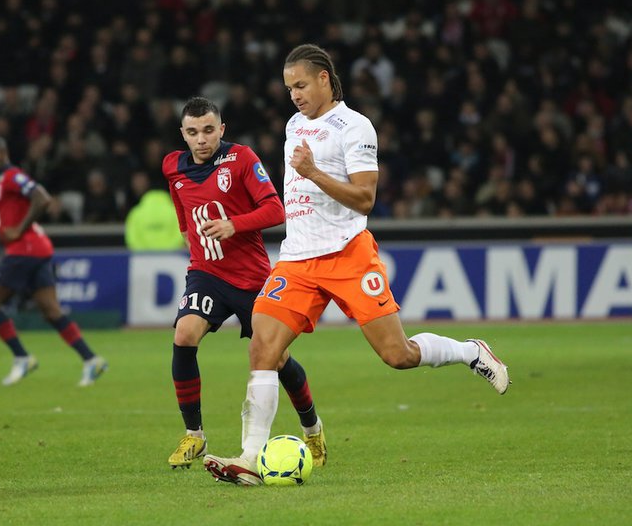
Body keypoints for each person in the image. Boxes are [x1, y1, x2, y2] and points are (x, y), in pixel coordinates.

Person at [203, 44, 510, 486]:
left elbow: (365, 198)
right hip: (297, 259)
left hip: (348, 254)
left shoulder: (356, 127)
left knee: (397, 356)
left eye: (302, 85)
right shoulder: (294, 124)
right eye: (289, 88)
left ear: (325, 78)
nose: (294, 95)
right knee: (262, 349)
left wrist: (313, 173)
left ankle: (469, 351)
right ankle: (250, 458)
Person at [162, 97, 326, 469]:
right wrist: (192, 240)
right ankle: (195, 436)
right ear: (183, 134)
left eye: (208, 130)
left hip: (252, 280)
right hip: (206, 274)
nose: (201, 139)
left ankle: (312, 428)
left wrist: (233, 224)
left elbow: (275, 209)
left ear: (222, 129)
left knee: (278, 358)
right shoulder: (172, 166)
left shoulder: (241, 159)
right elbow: (182, 214)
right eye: (192, 132)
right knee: (184, 334)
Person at [0, 136, 108, 386]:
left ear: (4, 153)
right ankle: (92, 360)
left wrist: (20, 229)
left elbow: (42, 197)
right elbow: (6, 223)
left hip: (25, 249)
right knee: (51, 311)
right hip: (36, 249)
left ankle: (21, 357)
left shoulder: (12, 176)